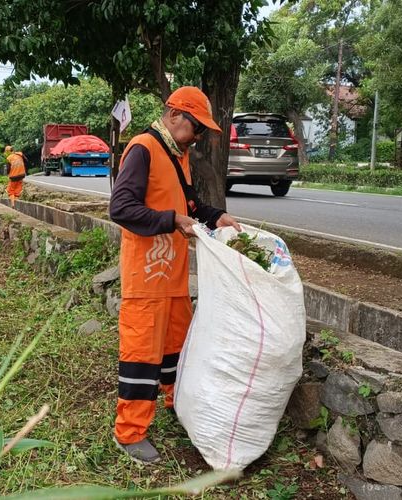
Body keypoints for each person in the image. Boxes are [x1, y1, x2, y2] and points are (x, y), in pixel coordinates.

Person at [108, 86, 242, 464]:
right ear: (175, 115)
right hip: (146, 279)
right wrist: (171, 221)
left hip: (174, 277)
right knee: (141, 356)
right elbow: (121, 208)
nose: (198, 138)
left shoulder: (175, 154)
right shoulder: (143, 148)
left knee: (176, 352)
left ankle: (177, 407)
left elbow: (188, 202)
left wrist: (215, 216)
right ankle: (130, 433)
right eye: (197, 129)